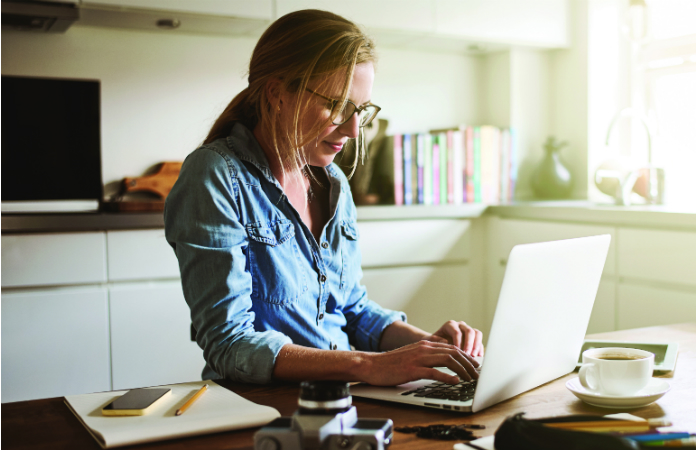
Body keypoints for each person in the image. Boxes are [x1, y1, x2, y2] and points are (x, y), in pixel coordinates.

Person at [164, 9, 483, 388]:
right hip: (261, 407)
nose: (352, 129)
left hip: (344, 399)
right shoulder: (216, 176)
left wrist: (432, 347)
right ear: (277, 93)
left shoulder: (333, 184)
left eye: (360, 111)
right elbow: (229, 343)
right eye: (336, 106)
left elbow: (352, 310)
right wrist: (368, 366)